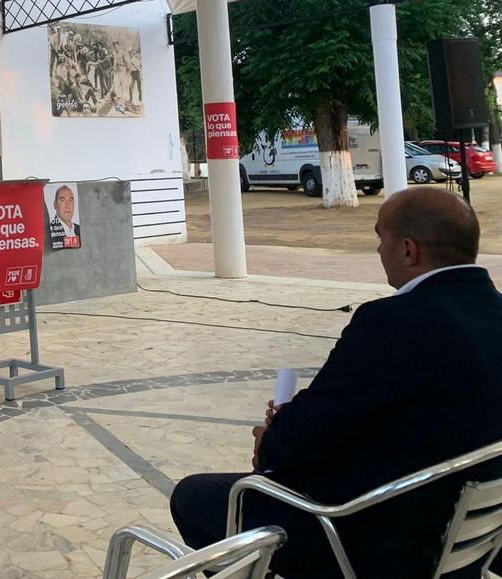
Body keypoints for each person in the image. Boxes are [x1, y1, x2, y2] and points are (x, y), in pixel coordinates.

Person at [170, 188, 502, 578]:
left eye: (381, 238)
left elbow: (299, 441)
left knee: (196, 497)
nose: (379, 251)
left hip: (382, 540)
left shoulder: (392, 323)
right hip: (472, 534)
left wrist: (274, 437)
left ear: (409, 250)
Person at [48, 185, 81, 249]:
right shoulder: (49, 231)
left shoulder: (80, 229)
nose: (67, 206)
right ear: (55, 205)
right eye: (62, 200)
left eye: (70, 200)